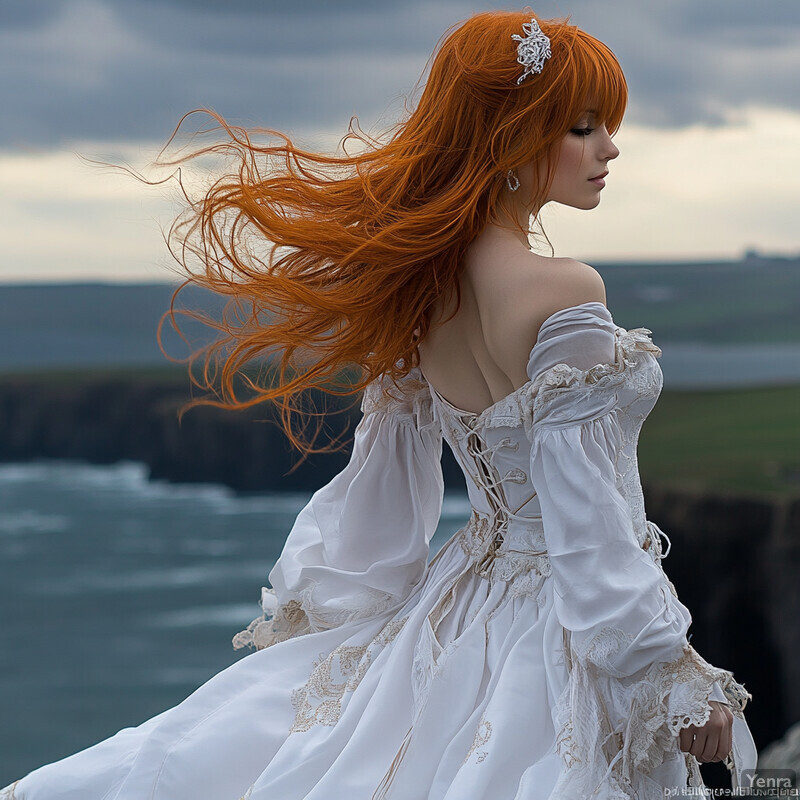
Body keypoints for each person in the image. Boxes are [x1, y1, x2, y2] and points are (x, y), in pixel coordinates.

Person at [2, 9, 757, 800]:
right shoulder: (563, 290)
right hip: (560, 619)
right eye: (580, 127)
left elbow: (386, 488)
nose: (609, 148)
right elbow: (585, 516)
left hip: (458, 604)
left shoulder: (421, 291)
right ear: (510, 137)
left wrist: (345, 607)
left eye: (607, 126)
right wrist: (664, 667)